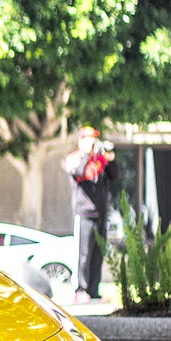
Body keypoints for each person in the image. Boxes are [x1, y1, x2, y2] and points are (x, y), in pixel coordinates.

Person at [63, 126, 115, 304]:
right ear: (81, 141)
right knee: (83, 254)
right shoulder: (74, 159)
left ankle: (94, 290)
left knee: (97, 254)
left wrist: (109, 159)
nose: (92, 142)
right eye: (89, 139)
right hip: (84, 214)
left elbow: (115, 175)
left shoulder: (100, 161)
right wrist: (86, 154)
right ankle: (80, 290)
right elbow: (79, 172)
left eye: (94, 139)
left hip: (100, 214)